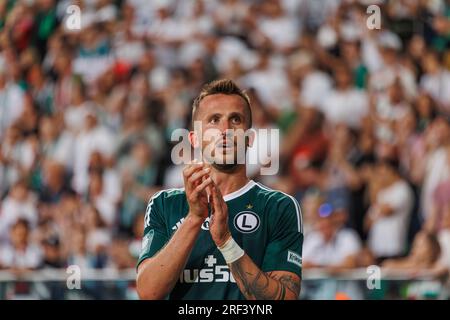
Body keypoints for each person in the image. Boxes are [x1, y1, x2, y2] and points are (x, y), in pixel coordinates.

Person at [136, 79, 303, 300]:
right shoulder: (164, 204)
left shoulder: (279, 206)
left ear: (250, 138)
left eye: (235, 119)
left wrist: (226, 241)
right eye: (214, 120)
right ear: (194, 139)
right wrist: (195, 218)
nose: (225, 130)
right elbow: (148, 292)